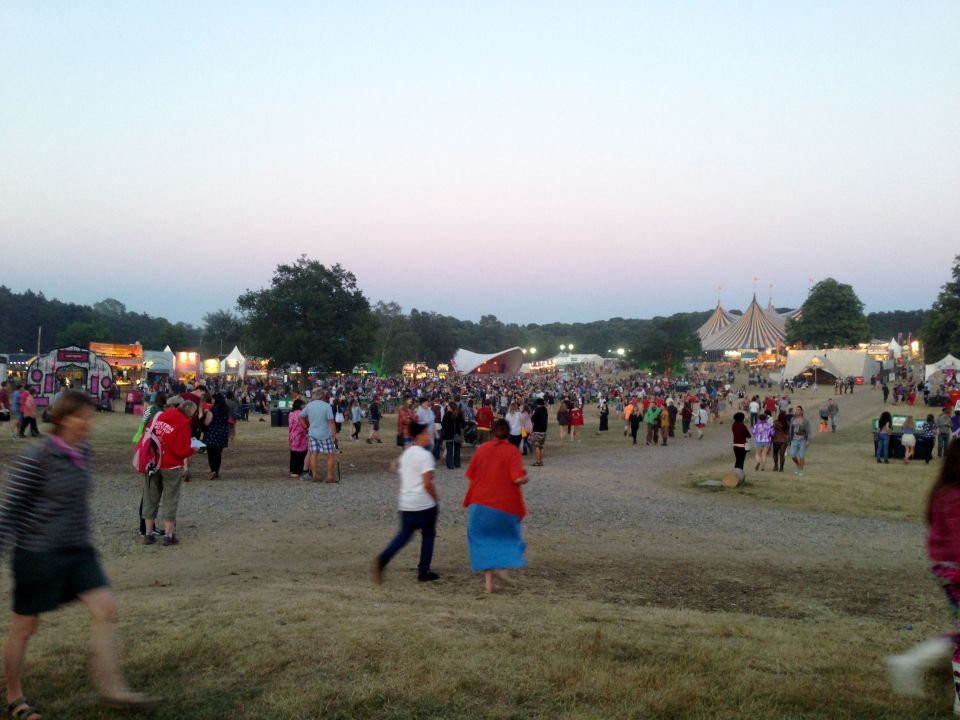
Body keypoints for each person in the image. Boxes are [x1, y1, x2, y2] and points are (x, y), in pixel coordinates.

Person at [0, 392, 158, 715]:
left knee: (105, 609)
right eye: (81, 417)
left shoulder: (83, 451)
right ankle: (14, 697)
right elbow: (11, 511)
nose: (88, 424)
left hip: (78, 551)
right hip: (38, 554)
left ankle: (113, 687)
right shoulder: (38, 457)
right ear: (61, 419)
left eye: (90, 417)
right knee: (25, 628)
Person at [886, 439, 960, 708]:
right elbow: (954, 544)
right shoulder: (953, 497)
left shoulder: (942, 493)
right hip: (955, 573)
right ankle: (912, 662)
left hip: (947, 572)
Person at [463, 419, 529, 593]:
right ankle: (502, 569)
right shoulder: (512, 451)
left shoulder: (481, 450)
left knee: (483, 540)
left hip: (479, 503)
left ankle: (488, 585)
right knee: (508, 538)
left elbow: (470, 474)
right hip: (504, 504)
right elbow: (516, 477)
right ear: (508, 433)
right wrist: (526, 477)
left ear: (492, 432)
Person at [371, 423, 440, 584]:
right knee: (428, 535)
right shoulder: (425, 456)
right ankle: (424, 571)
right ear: (418, 436)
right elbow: (427, 483)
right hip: (423, 503)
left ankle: (383, 559)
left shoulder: (407, 453)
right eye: (425, 434)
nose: (428, 436)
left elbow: (396, 468)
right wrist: (436, 498)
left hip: (406, 502)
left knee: (403, 536)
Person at [143, 399, 197, 545]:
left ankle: (148, 533)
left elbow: (146, 434)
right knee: (170, 500)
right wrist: (193, 449)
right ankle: (168, 535)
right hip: (171, 466)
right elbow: (180, 451)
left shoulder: (160, 416)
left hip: (152, 462)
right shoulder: (184, 422)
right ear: (190, 412)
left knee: (150, 498)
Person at [301, 392, 338, 483]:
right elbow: (331, 422)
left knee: (313, 454)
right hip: (324, 434)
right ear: (323, 396)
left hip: (312, 433)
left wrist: (306, 426)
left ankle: (314, 476)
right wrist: (334, 435)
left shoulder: (309, 405)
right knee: (330, 455)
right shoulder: (326, 406)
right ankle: (329, 476)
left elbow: (301, 416)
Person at [201, 392, 230, 480]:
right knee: (218, 453)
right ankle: (216, 471)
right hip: (223, 432)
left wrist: (204, 416)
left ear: (216, 400)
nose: (211, 401)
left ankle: (213, 470)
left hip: (213, 432)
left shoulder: (212, 410)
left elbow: (207, 422)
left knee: (211, 453)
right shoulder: (226, 410)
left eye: (213, 399)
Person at [440, 400, 464, 469]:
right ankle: (457, 464)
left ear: (450, 407)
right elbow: (463, 423)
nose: (447, 407)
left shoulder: (447, 415)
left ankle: (450, 465)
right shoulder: (458, 414)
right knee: (457, 450)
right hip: (457, 434)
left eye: (448, 406)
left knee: (449, 450)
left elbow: (443, 424)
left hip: (449, 434)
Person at [288, 399, 308, 478]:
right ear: (300, 405)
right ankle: (301, 469)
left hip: (293, 435)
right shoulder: (302, 413)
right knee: (302, 453)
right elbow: (305, 424)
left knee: (294, 453)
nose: (304, 406)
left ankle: (294, 471)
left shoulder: (291, 413)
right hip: (302, 435)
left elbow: (290, 426)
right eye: (303, 405)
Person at [788, 406, 811, 476]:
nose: (797, 411)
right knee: (792, 455)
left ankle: (801, 470)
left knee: (801, 456)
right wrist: (789, 440)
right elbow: (790, 430)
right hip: (794, 439)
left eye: (799, 410)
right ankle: (798, 465)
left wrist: (808, 440)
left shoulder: (805, 421)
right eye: (796, 410)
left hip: (802, 440)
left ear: (801, 411)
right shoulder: (792, 419)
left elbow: (808, 431)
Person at [731, 412, 752, 482]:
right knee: (741, 461)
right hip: (742, 445)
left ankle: (734, 475)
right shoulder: (742, 426)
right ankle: (739, 476)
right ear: (742, 418)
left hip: (735, 445)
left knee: (737, 460)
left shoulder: (733, 425)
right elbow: (749, 435)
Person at [530, 398, 548, 467]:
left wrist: (533, 413)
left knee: (537, 446)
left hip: (537, 430)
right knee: (542, 447)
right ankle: (541, 461)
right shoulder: (545, 409)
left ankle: (537, 461)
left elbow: (533, 419)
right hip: (544, 430)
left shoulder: (537, 410)